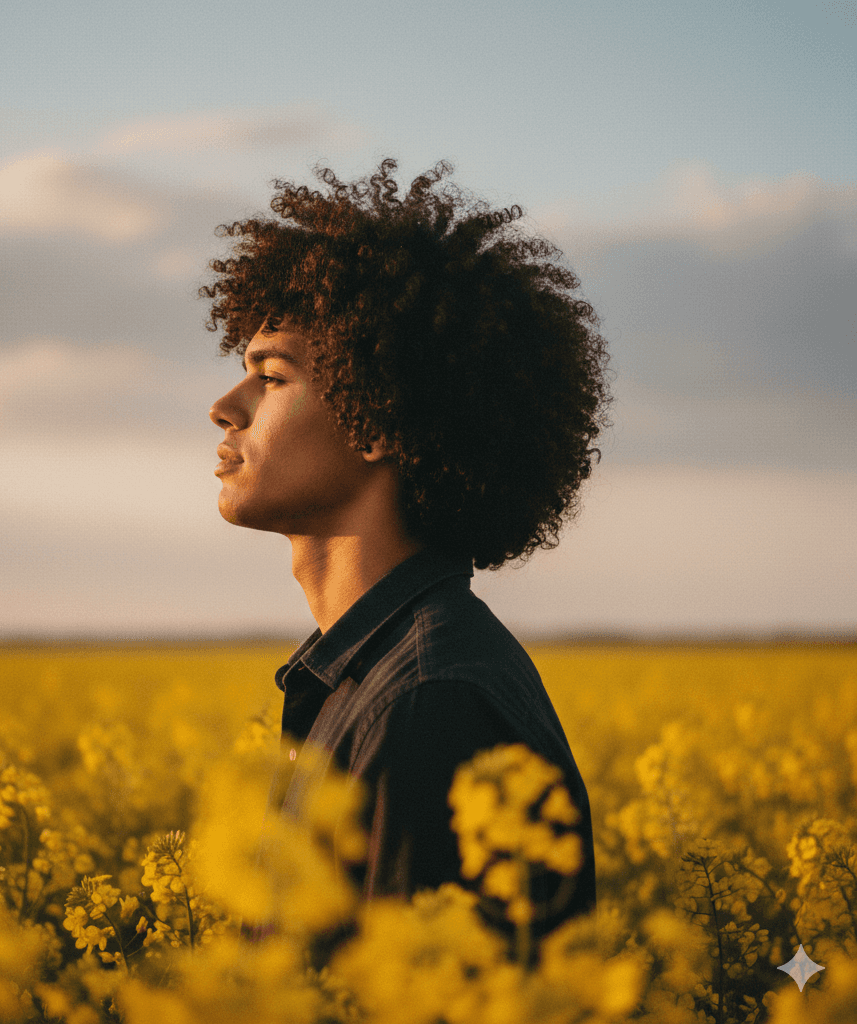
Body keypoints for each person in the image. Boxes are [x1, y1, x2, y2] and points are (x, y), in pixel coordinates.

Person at [204, 159, 611, 967]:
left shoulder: (429, 704)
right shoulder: (379, 677)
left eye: (272, 376)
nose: (225, 405)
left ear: (378, 415)